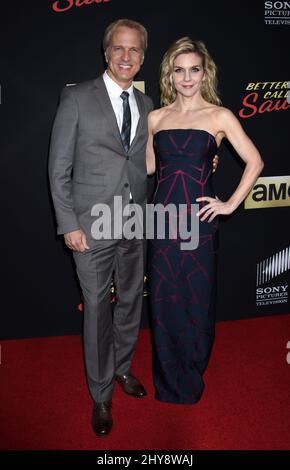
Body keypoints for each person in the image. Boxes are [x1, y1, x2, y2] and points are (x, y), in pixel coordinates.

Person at [49, 19, 154, 437]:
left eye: (135, 51)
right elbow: (58, 170)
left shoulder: (147, 105)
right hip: (89, 227)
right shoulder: (76, 98)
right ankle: (100, 394)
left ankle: (123, 368)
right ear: (106, 52)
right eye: (119, 49)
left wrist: (205, 161)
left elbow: (146, 159)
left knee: (130, 301)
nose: (126, 57)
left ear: (142, 57)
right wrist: (68, 224)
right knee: (96, 310)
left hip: (134, 220)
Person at [146, 37, 264, 404]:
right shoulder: (156, 117)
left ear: (204, 73)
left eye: (193, 70)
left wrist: (228, 204)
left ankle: (192, 373)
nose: (186, 77)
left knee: (196, 299)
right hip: (162, 221)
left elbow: (256, 162)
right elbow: (147, 167)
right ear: (170, 74)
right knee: (163, 302)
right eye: (178, 70)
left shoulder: (220, 115)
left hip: (200, 223)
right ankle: (166, 380)